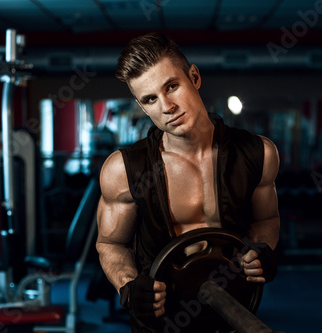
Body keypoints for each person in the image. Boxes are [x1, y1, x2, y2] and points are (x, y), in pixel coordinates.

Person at [96, 32, 280, 333]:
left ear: (194, 77)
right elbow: (110, 243)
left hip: (231, 312)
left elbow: (267, 218)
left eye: (172, 87)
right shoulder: (124, 169)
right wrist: (129, 287)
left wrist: (262, 249)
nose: (166, 106)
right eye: (150, 99)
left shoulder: (257, 153)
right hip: (160, 321)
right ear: (142, 107)